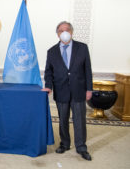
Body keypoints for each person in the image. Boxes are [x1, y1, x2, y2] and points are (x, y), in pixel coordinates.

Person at [42, 21, 93, 161]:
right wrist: (48, 85)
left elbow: (87, 70)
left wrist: (89, 89)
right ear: (57, 34)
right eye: (61, 30)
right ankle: (64, 144)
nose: (64, 32)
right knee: (63, 119)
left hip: (79, 90)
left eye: (67, 30)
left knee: (79, 120)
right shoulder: (51, 51)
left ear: (71, 32)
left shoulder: (82, 48)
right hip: (61, 90)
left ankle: (81, 147)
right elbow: (48, 72)